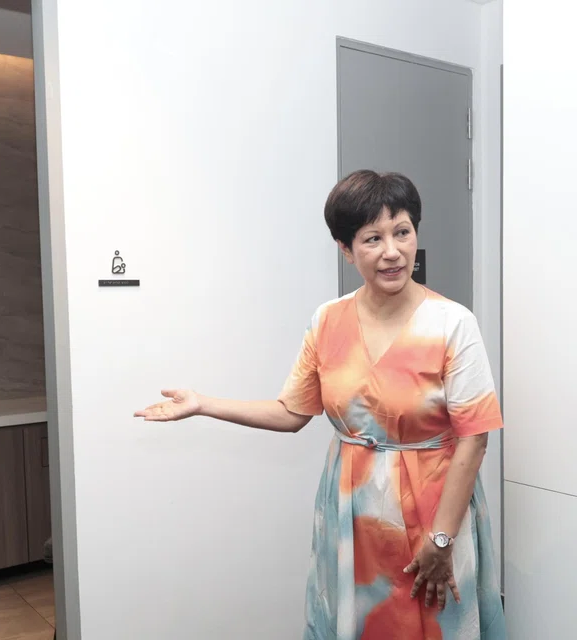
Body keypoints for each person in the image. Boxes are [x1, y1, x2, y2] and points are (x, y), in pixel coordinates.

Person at [135, 170, 506, 639]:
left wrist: (442, 539)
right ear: (347, 249)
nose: (392, 251)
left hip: (437, 514)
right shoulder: (328, 320)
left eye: (403, 232)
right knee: (361, 622)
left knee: (436, 622)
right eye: (372, 238)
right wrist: (204, 403)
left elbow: (474, 440)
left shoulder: (453, 323)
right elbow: (292, 413)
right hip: (354, 515)